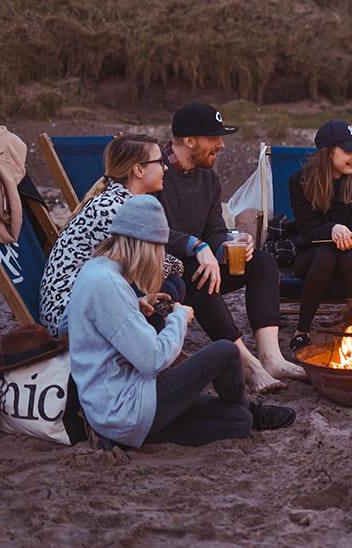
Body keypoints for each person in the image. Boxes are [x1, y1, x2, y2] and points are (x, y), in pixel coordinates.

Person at [65, 195, 296, 449]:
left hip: (117, 409)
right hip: (125, 407)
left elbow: (103, 326)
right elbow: (152, 360)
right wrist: (179, 318)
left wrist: (137, 305)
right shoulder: (108, 285)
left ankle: (244, 412)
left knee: (238, 421)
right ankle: (250, 407)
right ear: (145, 245)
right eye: (158, 250)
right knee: (225, 351)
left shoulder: (97, 270)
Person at [157, 103, 306, 393]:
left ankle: (271, 357)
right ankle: (247, 365)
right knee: (197, 273)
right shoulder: (155, 171)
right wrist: (198, 247)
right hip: (164, 268)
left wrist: (227, 245)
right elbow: (151, 230)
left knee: (262, 262)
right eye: (214, 138)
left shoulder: (209, 178)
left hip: (203, 261)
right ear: (189, 141)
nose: (222, 145)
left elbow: (213, 228)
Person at [39, 134, 185, 336]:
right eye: (160, 162)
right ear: (139, 169)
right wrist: (180, 262)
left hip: (88, 299)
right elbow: (146, 267)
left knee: (171, 285)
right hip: (69, 316)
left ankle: (146, 346)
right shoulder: (114, 209)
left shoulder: (117, 200)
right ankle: (144, 350)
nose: (165, 168)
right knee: (168, 285)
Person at [287, 120, 352, 351]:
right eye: (349, 150)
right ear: (328, 153)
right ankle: (302, 330)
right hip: (312, 257)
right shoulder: (300, 181)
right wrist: (332, 229)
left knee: (347, 254)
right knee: (327, 253)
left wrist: (345, 234)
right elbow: (307, 228)